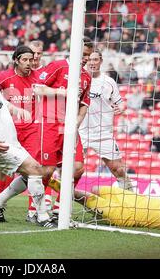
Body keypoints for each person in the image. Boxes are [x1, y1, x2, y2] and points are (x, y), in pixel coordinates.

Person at [49, 120, 160, 233]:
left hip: (125, 214)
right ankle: (92, 209)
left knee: (82, 196)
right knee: (95, 189)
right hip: (132, 197)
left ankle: (49, 181)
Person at [0, 56, 57, 227]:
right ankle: (43, 217)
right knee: (35, 169)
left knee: (30, 175)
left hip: (10, 142)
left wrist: (16, 109)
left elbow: (2, 103)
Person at [33, 37, 93, 218]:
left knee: (78, 167)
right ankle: (37, 207)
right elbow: (37, 88)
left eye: (88, 56)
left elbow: (84, 104)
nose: (85, 59)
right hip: (50, 123)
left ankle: (60, 204)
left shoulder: (86, 77)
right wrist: (62, 92)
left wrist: (77, 121)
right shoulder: (58, 66)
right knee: (47, 169)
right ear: (73, 51)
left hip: (69, 126)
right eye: (83, 55)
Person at [0, 45, 51, 223]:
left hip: (32, 131)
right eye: (25, 60)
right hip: (9, 131)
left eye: (32, 59)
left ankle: (32, 212)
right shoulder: (5, 77)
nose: (30, 63)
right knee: (3, 171)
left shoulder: (39, 78)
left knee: (35, 170)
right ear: (16, 60)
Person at [79, 51, 134, 191]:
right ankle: (59, 203)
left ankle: (130, 198)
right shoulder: (77, 79)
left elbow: (120, 103)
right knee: (73, 170)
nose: (92, 62)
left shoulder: (109, 82)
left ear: (101, 61)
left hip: (103, 133)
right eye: (90, 60)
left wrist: (120, 109)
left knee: (119, 170)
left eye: (95, 59)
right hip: (80, 133)